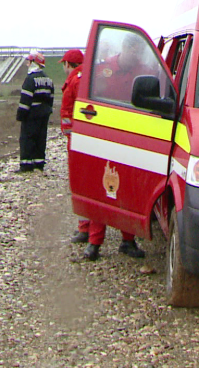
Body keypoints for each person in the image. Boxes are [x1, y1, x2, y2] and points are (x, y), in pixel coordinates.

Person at [59, 48, 145, 261]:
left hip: (117, 138)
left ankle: (114, 240)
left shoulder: (91, 75)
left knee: (118, 190)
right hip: (105, 138)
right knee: (104, 190)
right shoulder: (99, 73)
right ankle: (100, 241)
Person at [15, 52, 54, 173]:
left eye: (29, 61)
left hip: (31, 115)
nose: (27, 64)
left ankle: (26, 165)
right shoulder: (48, 80)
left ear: (34, 63)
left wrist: (21, 115)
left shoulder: (30, 79)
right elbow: (51, 98)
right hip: (44, 115)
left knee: (27, 139)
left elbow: (25, 100)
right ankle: (39, 163)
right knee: (41, 139)